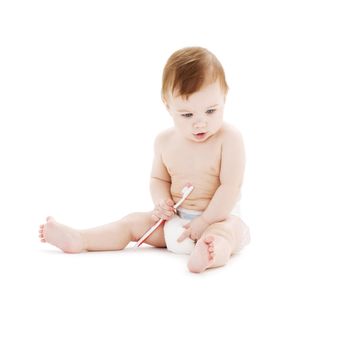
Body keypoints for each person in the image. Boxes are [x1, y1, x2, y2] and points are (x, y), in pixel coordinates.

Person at [38, 46, 250, 273]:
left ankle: (209, 253)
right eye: (187, 114)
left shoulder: (229, 139)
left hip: (217, 219)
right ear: (168, 105)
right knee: (131, 223)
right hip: (174, 223)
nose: (200, 122)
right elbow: (159, 179)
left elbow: (230, 187)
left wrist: (206, 222)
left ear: (224, 97)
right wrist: (161, 202)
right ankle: (81, 239)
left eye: (211, 110)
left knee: (227, 232)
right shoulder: (164, 141)